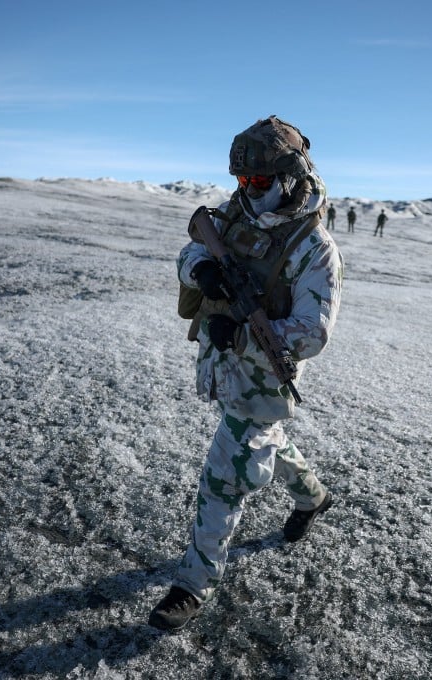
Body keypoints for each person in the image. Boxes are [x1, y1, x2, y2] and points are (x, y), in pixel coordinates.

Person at [150, 116, 343, 632]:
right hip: (225, 369)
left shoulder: (314, 248)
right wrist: (201, 269)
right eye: (241, 181)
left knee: (223, 480)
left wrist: (239, 335)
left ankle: (193, 583)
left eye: (258, 181)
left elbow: (312, 332)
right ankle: (314, 497)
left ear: (289, 175)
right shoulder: (233, 216)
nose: (248, 190)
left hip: (261, 379)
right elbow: (190, 250)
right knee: (269, 444)